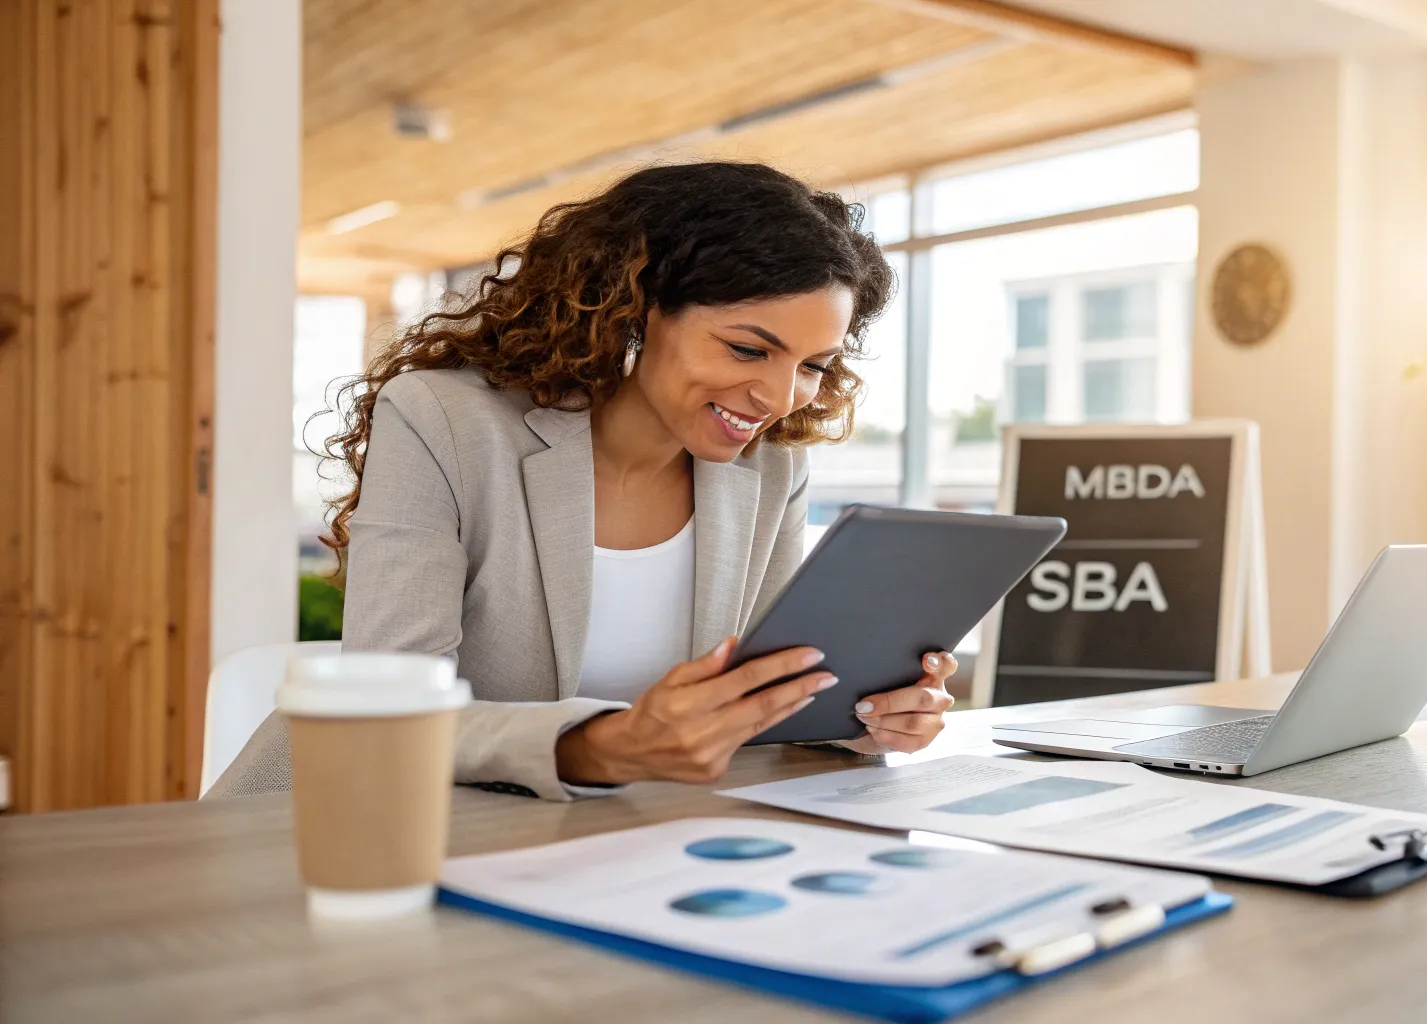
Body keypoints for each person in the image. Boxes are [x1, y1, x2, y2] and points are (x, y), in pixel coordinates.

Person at [212, 162, 957, 800]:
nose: (782, 396)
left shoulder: (772, 470)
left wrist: (860, 722)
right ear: (633, 311)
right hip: (365, 825)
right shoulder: (444, 420)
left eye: (814, 366)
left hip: (616, 842)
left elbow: (762, 707)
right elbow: (389, 709)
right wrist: (607, 745)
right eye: (745, 349)